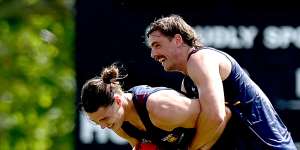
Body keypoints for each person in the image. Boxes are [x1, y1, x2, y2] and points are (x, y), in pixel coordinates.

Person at [145, 14, 297, 150]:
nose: (153, 54)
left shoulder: (200, 59)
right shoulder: (188, 82)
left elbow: (216, 116)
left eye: (157, 45)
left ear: (178, 40)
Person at [79, 64, 231, 150]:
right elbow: (141, 147)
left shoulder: (160, 108)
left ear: (118, 101)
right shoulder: (117, 123)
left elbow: (222, 114)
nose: (104, 126)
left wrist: (193, 149)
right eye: (97, 123)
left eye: (104, 119)